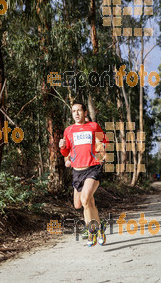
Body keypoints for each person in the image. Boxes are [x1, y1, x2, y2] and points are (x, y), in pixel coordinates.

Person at [59, 102, 106, 247]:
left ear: (85, 112)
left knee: (86, 199)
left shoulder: (93, 126)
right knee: (81, 204)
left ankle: (92, 231)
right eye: (74, 111)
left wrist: (101, 152)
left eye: (79, 110)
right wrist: (62, 149)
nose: (77, 113)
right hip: (77, 171)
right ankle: (99, 228)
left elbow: (104, 142)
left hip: (92, 168)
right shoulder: (68, 130)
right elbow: (66, 152)